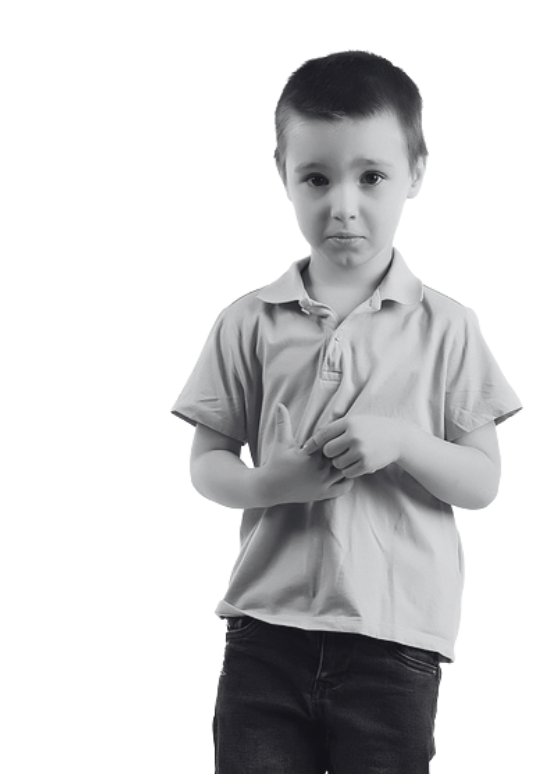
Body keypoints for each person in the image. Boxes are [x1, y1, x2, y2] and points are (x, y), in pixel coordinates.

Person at [171, 49, 523, 773]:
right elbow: (206, 464)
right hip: (264, 631)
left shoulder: (449, 326)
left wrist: (402, 441)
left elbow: (482, 484)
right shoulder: (245, 321)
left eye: (371, 177)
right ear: (281, 174)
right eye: (316, 177)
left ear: (416, 173)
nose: (343, 204)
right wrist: (270, 485)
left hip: (396, 638)